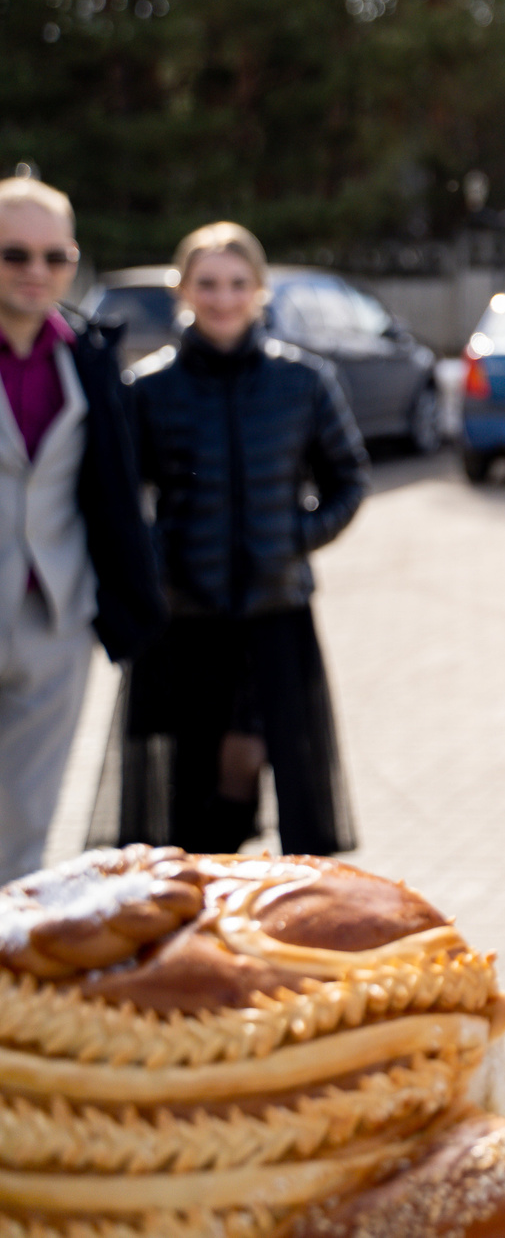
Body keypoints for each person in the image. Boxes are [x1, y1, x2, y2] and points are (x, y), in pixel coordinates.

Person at [109, 221, 367, 856]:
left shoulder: (303, 380)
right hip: (186, 618)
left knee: (275, 762)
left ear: (259, 290)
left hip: (277, 612)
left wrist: (295, 535)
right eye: (207, 284)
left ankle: (280, 900)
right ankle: (205, 896)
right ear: (183, 290)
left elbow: (349, 478)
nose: (222, 298)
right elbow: (120, 497)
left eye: (236, 283)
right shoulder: (149, 388)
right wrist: (159, 556)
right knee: (192, 776)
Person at [0, 177, 161, 880]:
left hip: (54, 618)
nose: (36, 271)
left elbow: (113, 488)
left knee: (26, 823)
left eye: (55, 256)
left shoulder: (89, 356)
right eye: (14, 254)